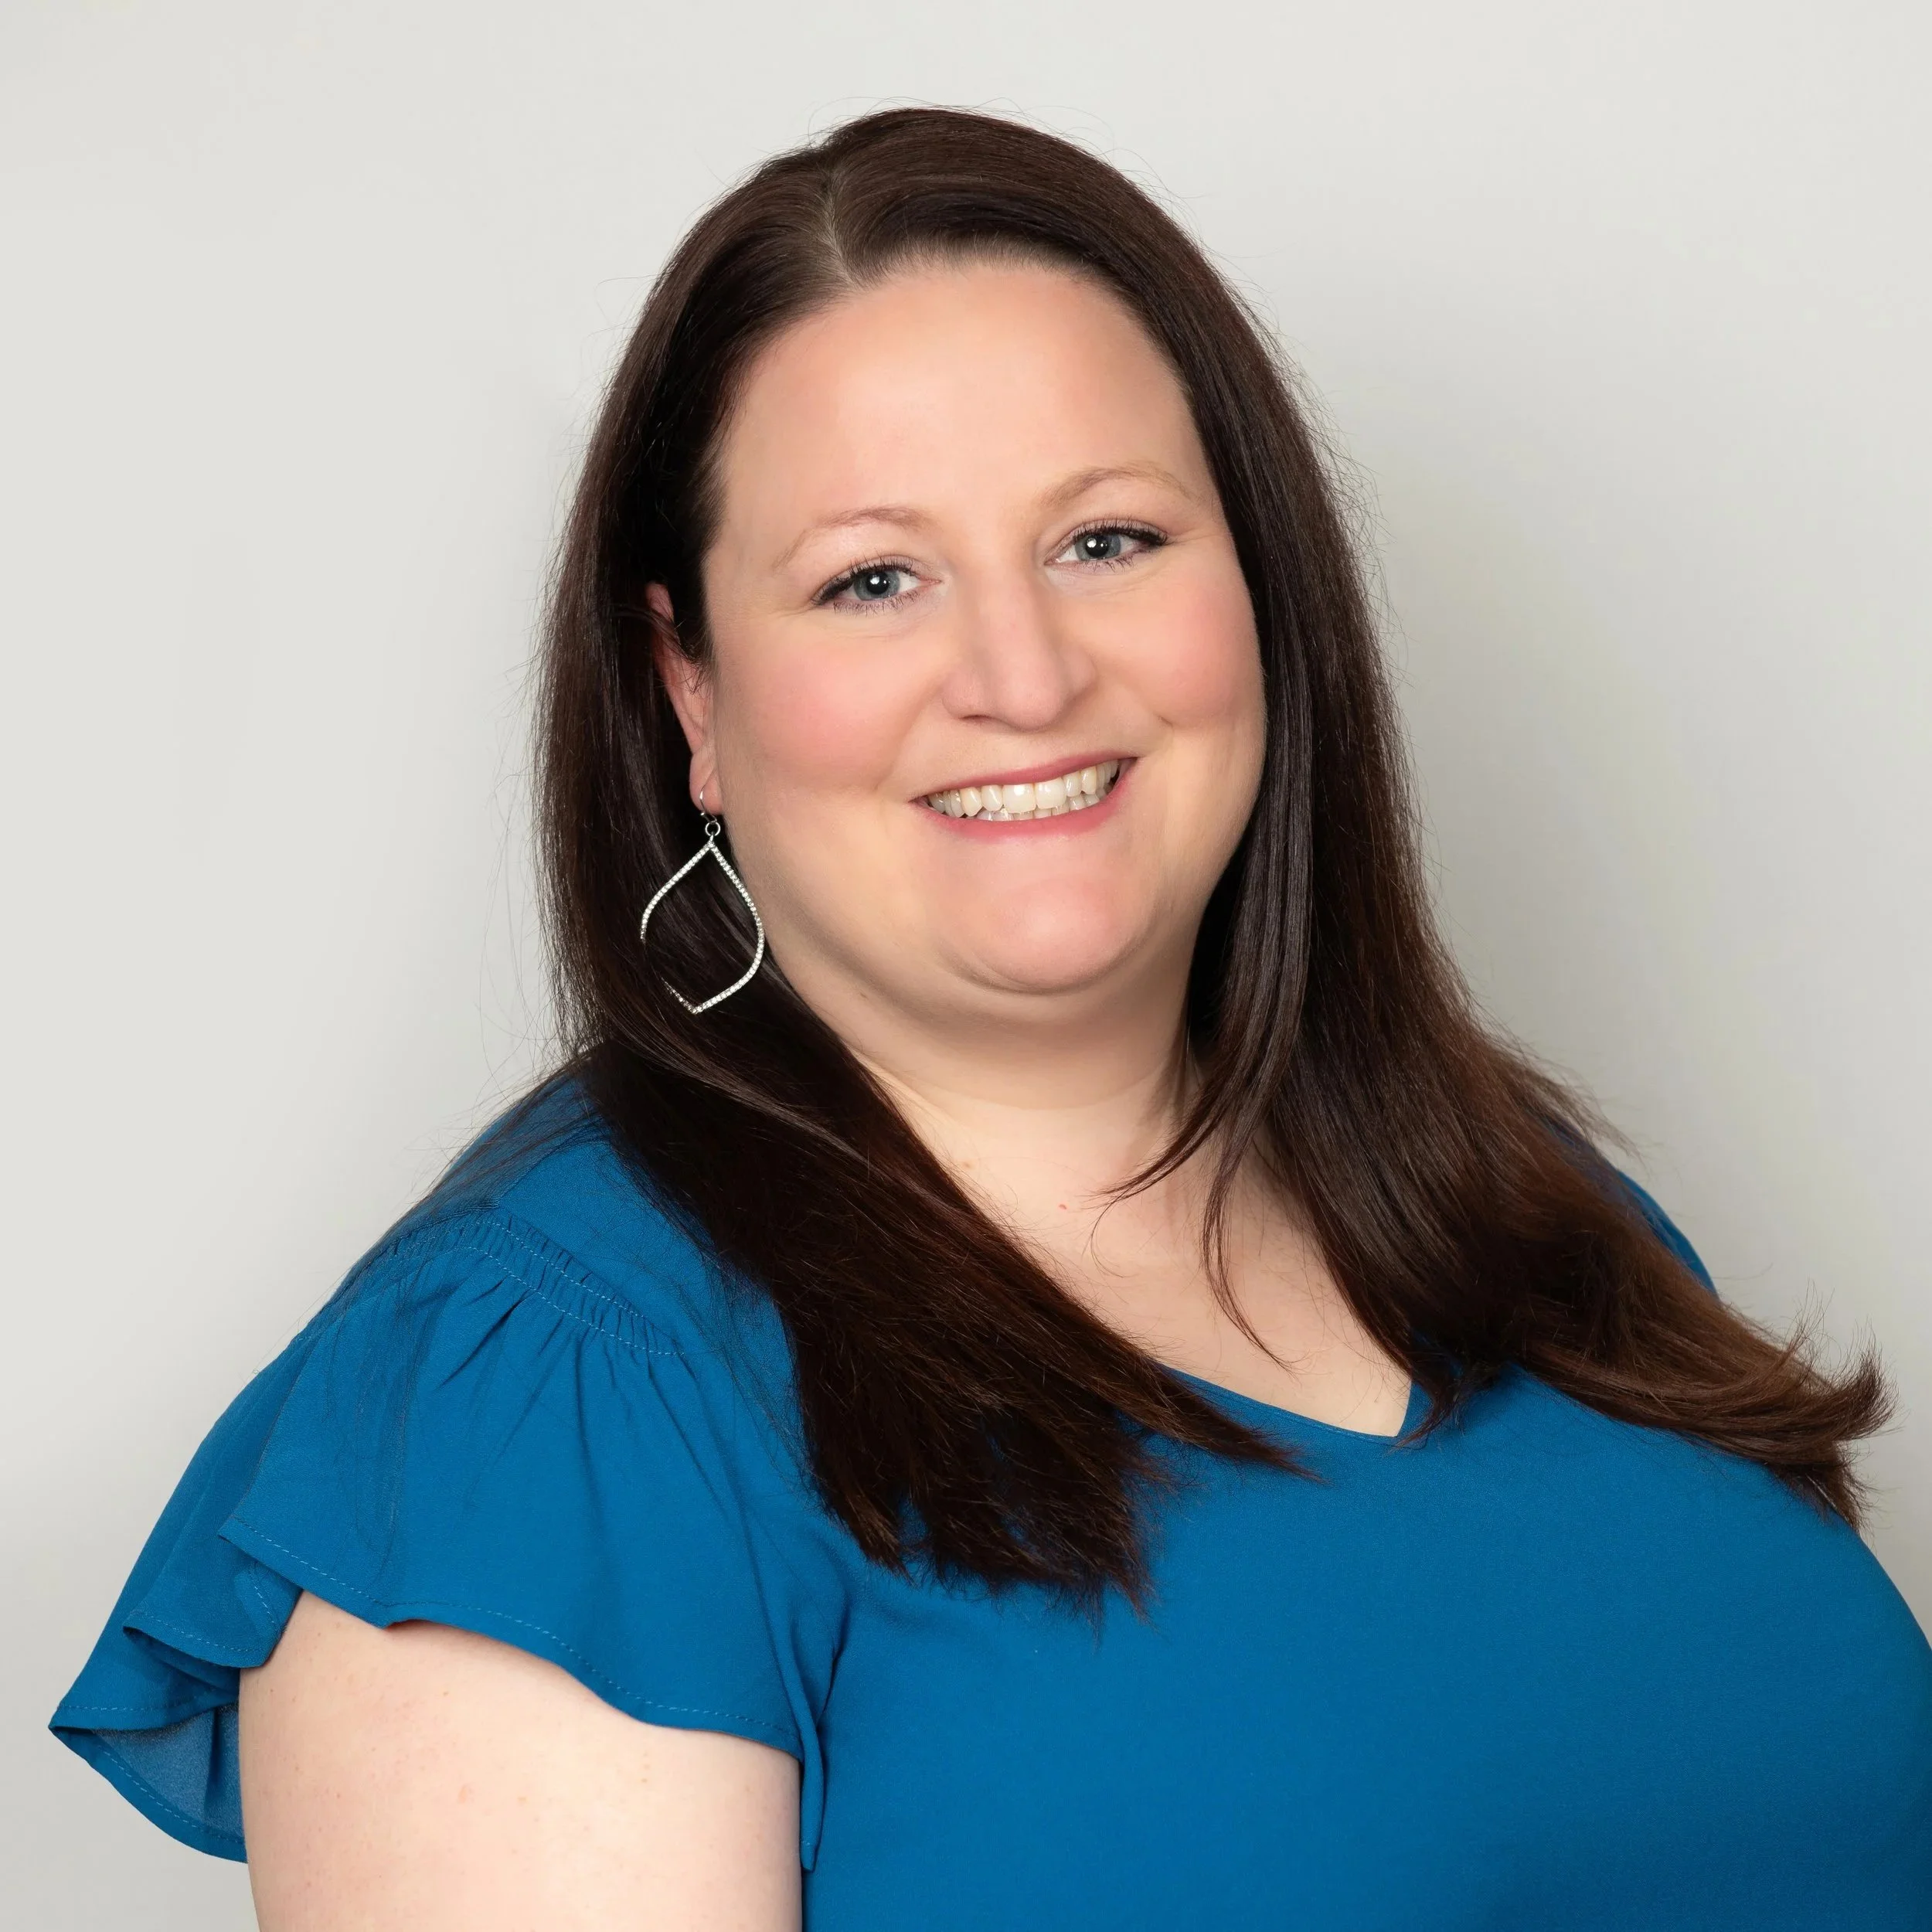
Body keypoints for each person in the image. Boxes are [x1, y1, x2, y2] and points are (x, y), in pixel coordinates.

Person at [52, 107, 1931, 1929]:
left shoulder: (1520, 1212)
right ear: (688, 693)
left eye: (1106, 539)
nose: (1021, 674)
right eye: (872, 578)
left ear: (1261, 594)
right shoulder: (545, 1408)